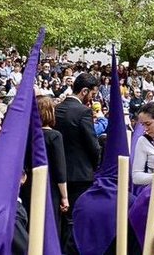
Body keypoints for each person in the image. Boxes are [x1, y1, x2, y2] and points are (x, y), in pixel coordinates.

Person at [55, 72, 100, 215]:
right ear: (84, 91)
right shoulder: (84, 112)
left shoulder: (56, 109)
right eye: (92, 95)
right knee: (76, 216)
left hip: (57, 171)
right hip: (80, 174)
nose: (92, 99)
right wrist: (94, 166)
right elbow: (93, 145)